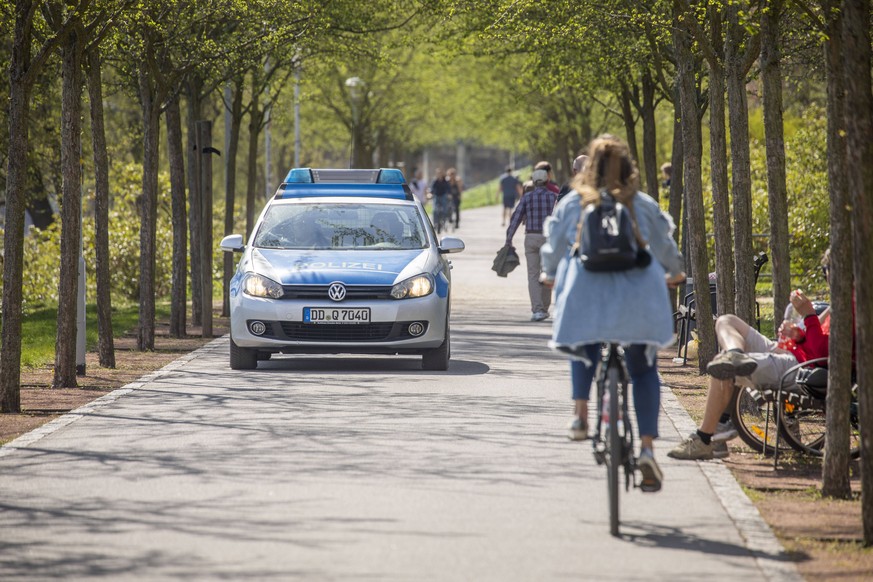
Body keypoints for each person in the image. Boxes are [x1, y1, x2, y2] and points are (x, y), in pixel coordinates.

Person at [540, 135, 685, 492]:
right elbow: (666, 245)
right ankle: (648, 447)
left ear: (589, 167)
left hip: (586, 293)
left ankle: (580, 415)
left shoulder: (575, 202)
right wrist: (675, 272)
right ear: (629, 167)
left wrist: (548, 273)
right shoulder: (643, 203)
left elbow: (554, 243)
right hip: (639, 296)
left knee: (582, 342)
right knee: (643, 366)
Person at [668, 285, 832, 461]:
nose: (828, 276)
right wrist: (798, 334)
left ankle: (705, 437)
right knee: (726, 321)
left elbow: (823, 353)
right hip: (791, 351)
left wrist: (809, 314)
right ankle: (735, 353)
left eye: (828, 270)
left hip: (802, 366)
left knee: (723, 366)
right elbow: (816, 334)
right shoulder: (839, 301)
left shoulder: (852, 305)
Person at [505, 168, 557, 322]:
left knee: (533, 274)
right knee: (547, 273)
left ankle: (537, 310)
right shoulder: (553, 197)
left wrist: (509, 239)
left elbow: (516, 218)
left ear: (533, 182)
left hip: (531, 237)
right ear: (547, 181)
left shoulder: (527, 197)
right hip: (549, 238)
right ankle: (545, 308)